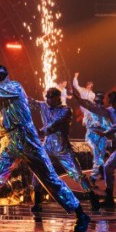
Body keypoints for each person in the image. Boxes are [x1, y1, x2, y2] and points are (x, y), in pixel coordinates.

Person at [0, 65, 90, 232]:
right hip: (8, 141)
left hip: (27, 138)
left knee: (50, 179)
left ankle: (80, 214)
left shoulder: (14, 87)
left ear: (3, 77)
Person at [28, 87, 100, 217]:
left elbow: (56, 124)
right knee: (38, 171)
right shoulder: (44, 106)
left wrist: (41, 131)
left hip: (63, 148)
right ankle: (37, 202)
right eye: (47, 98)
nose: (48, 100)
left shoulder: (66, 110)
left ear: (58, 98)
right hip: (47, 146)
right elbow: (30, 101)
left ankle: (92, 197)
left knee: (77, 174)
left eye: (51, 98)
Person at [72, 78, 111, 186]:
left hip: (102, 137)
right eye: (97, 100)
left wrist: (103, 126)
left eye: (99, 100)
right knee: (97, 156)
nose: (98, 102)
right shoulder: (89, 111)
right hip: (91, 135)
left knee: (100, 158)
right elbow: (85, 122)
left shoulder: (105, 112)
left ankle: (101, 173)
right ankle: (93, 178)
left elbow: (108, 125)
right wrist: (93, 123)